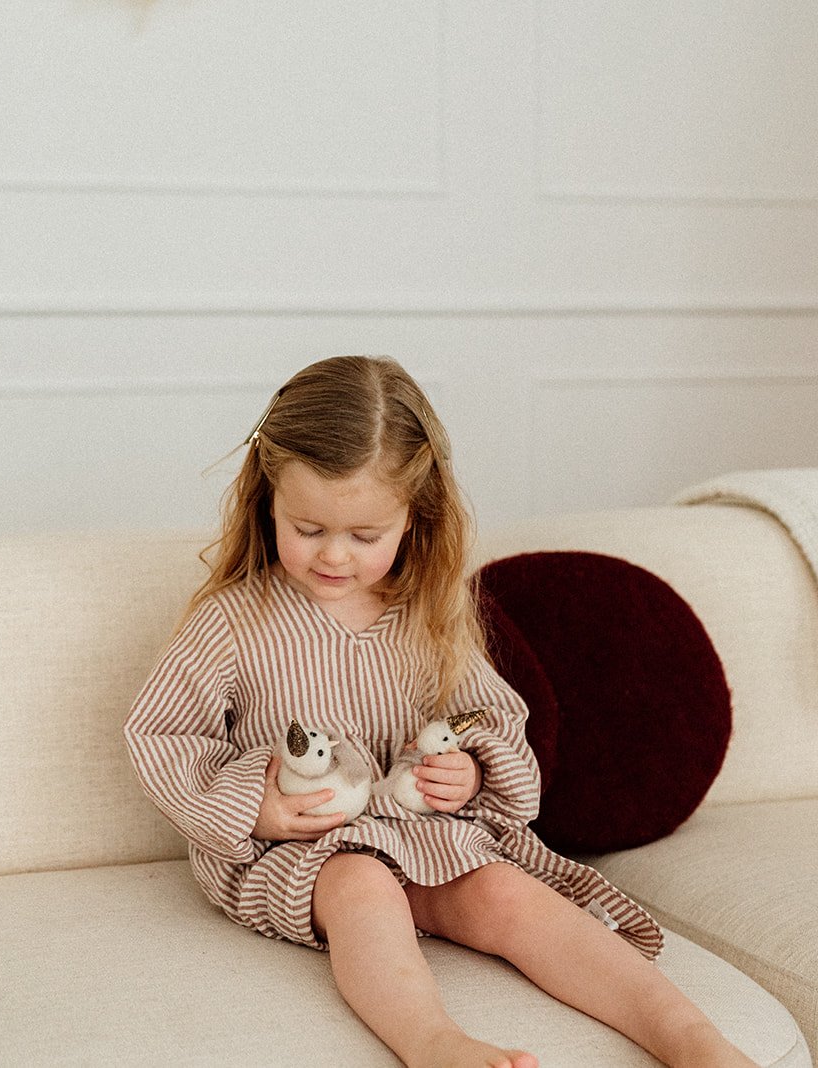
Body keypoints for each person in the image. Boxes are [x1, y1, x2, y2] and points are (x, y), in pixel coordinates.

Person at [122, 356, 753, 1068]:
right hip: (296, 854)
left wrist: (470, 775)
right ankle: (434, 1043)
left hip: (424, 836)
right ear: (267, 499)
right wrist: (254, 809)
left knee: (506, 894)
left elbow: (489, 719)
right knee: (362, 885)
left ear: (414, 519)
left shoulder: (428, 617)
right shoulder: (234, 622)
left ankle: (692, 1039)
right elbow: (162, 734)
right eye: (308, 527)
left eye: (364, 536)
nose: (334, 556)